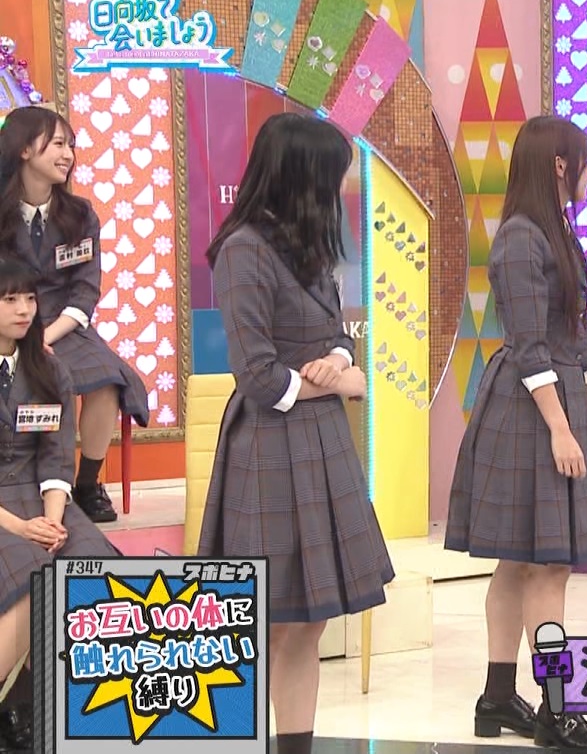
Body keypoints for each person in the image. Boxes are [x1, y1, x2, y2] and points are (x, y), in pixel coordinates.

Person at [198, 112, 393, 754]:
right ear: (303, 176)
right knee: (271, 621)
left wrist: (338, 360)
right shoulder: (244, 249)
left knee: (309, 620)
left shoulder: (305, 245)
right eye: (334, 176)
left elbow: (335, 334)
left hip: (322, 442)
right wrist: (343, 384)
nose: (341, 190)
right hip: (270, 448)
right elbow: (258, 376)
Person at [445, 115, 587, 754]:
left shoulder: (556, 234)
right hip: (530, 410)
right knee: (548, 566)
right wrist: (561, 427)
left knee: (522, 560)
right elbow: (530, 348)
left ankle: (498, 699)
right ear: (559, 164)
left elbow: (574, 340)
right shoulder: (520, 240)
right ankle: (557, 710)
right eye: (584, 160)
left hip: (554, 402)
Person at [0, 106, 151, 524]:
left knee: (108, 377)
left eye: (71, 145)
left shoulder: (80, 215)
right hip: (7, 323)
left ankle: (86, 483)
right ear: (25, 149)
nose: (68, 154)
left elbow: (85, 291)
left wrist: (45, 337)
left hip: (63, 326)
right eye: (57, 144)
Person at [0, 256, 119, 753]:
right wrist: (21, 529)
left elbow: (55, 457)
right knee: (32, 573)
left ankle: (56, 710)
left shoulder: (49, 369)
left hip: (41, 497)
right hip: (3, 509)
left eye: (30, 298)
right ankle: (13, 701)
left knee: (94, 562)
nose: (24, 309)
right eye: (10, 299)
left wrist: (51, 520)